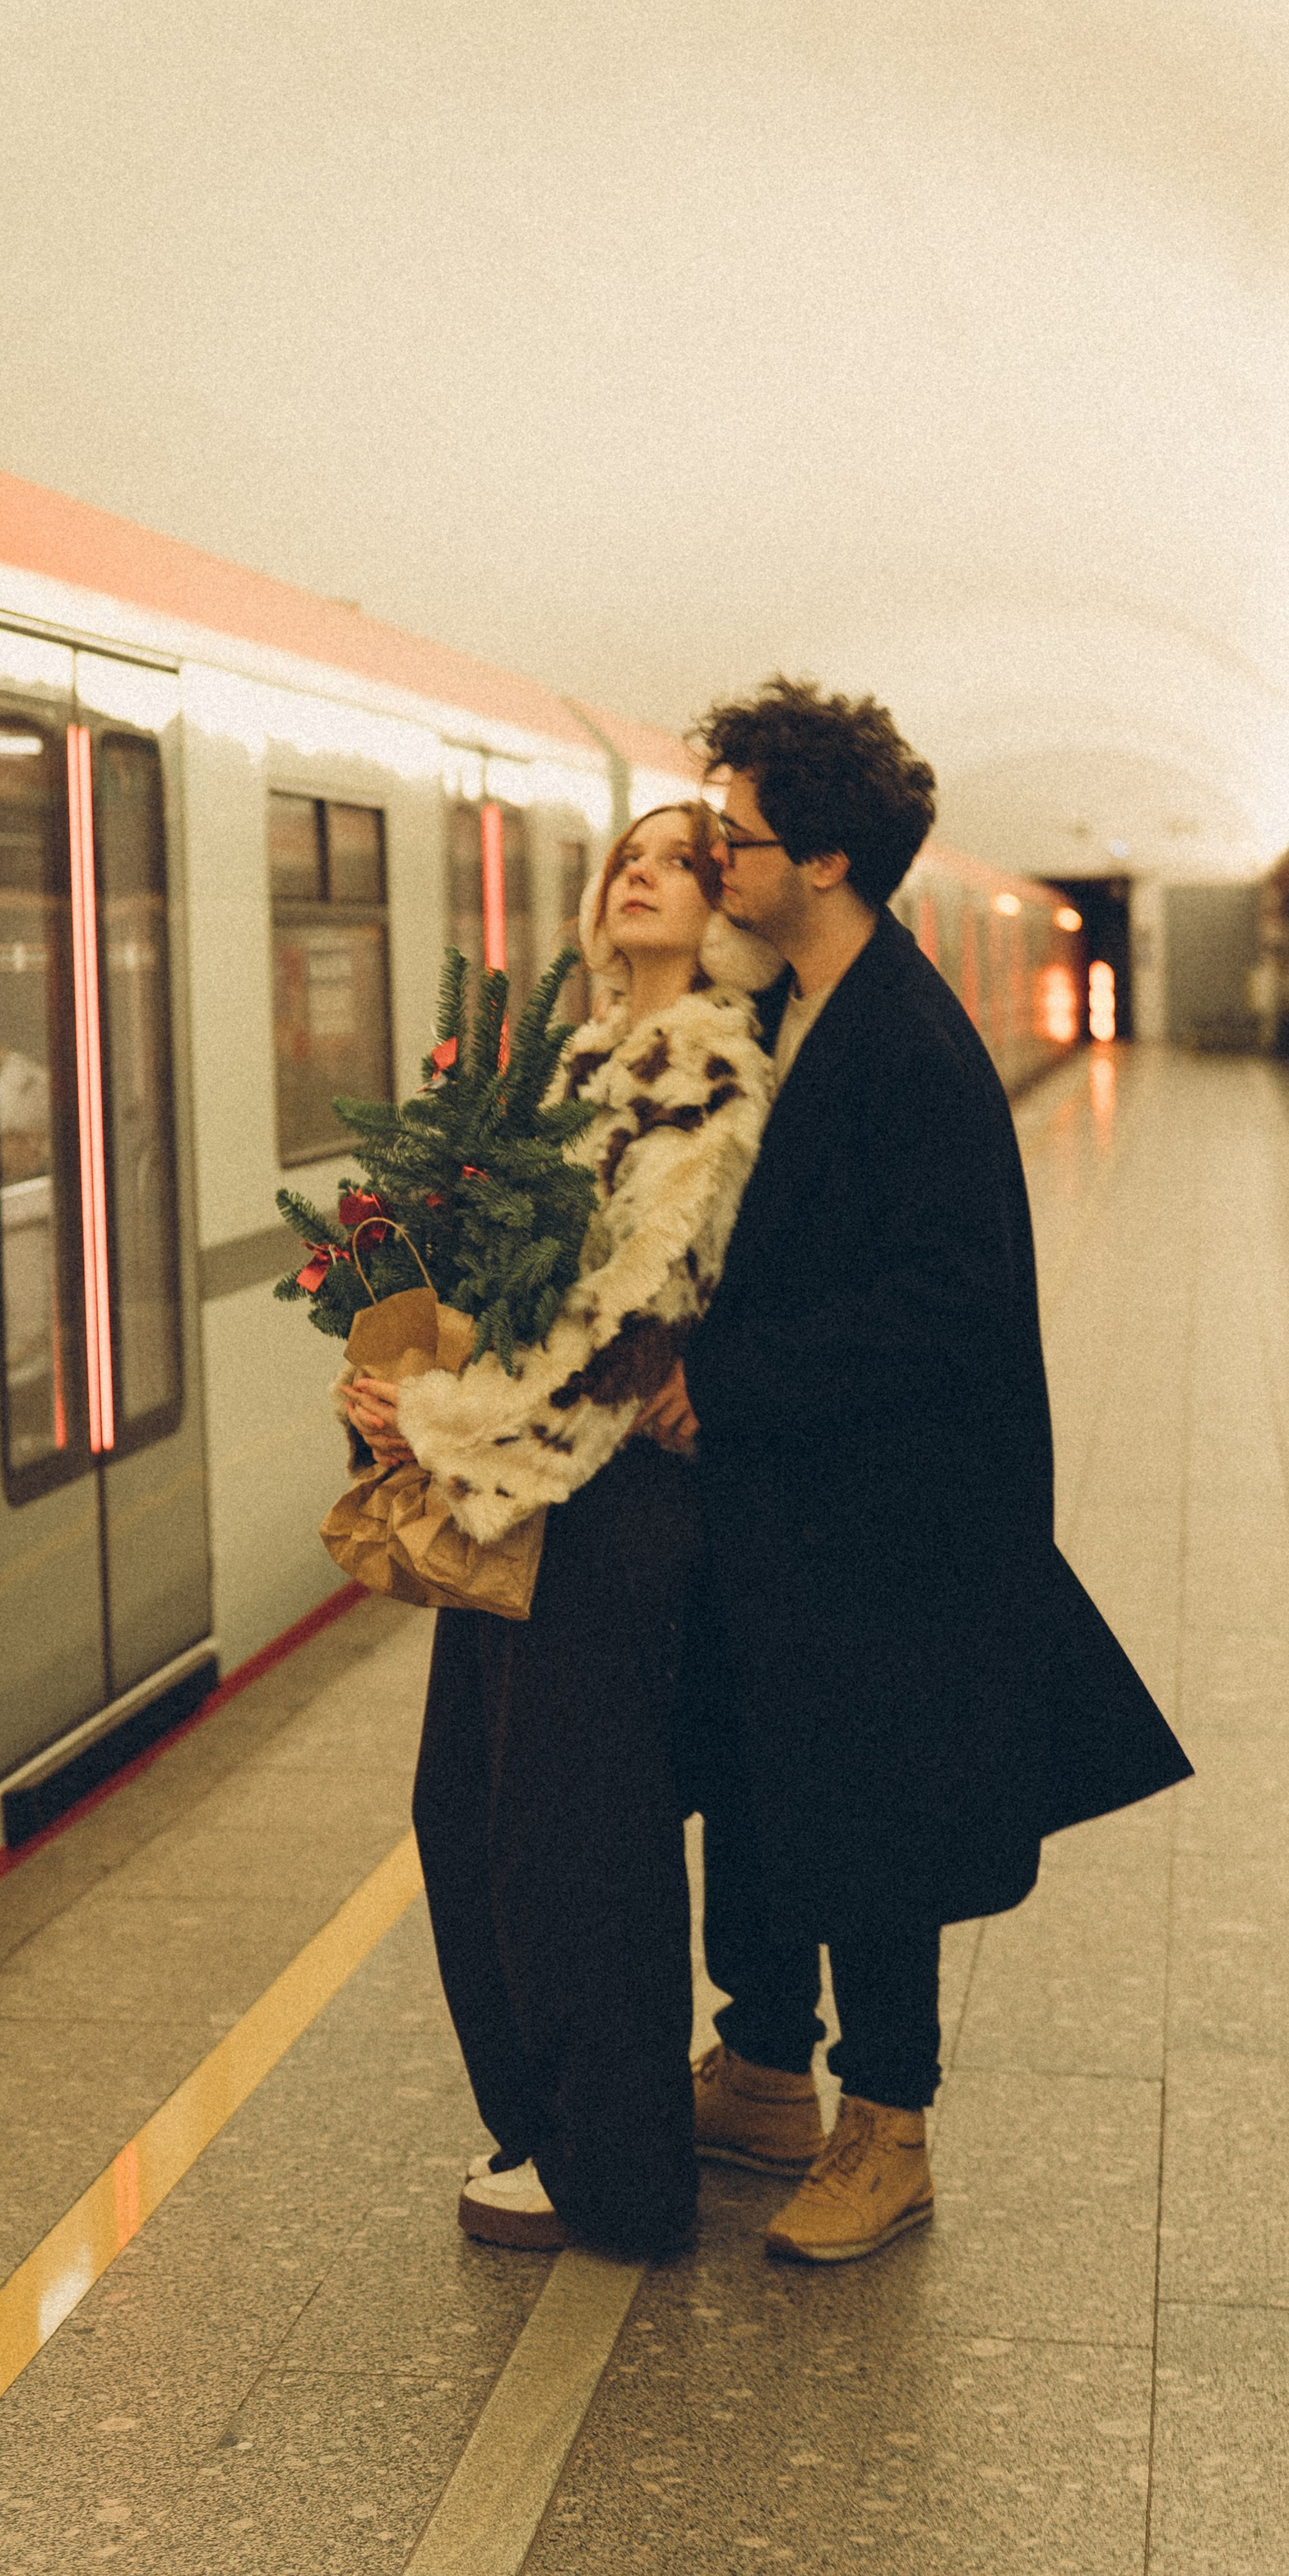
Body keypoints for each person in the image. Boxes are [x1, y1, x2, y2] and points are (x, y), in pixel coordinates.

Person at [648, 677, 1192, 2264]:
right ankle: (763, 2070)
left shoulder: (910, 1044)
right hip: (797, 1499)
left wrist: (725, 1387)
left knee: (868, 1823)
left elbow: (948, 1303)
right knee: (759, 1786)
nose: (715, 860)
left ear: (822, 858)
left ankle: (891, 2128)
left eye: (734, 836)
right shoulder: (787, 1005)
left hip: (890, 1516)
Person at [342, 803, 777, 2259]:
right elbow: (497, 1280)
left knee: (577, 1844)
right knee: (474, 1818)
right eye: (628, 855)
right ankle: (548, 2123)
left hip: (606, 1509)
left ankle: (621, 2176)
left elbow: (635, 1315)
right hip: (523, 1494)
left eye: (678, 857)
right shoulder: (576, 1065)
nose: (637, 869)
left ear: (727, 907)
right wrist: (398, 1380)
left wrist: (445, 1428)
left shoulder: (707, 1063)